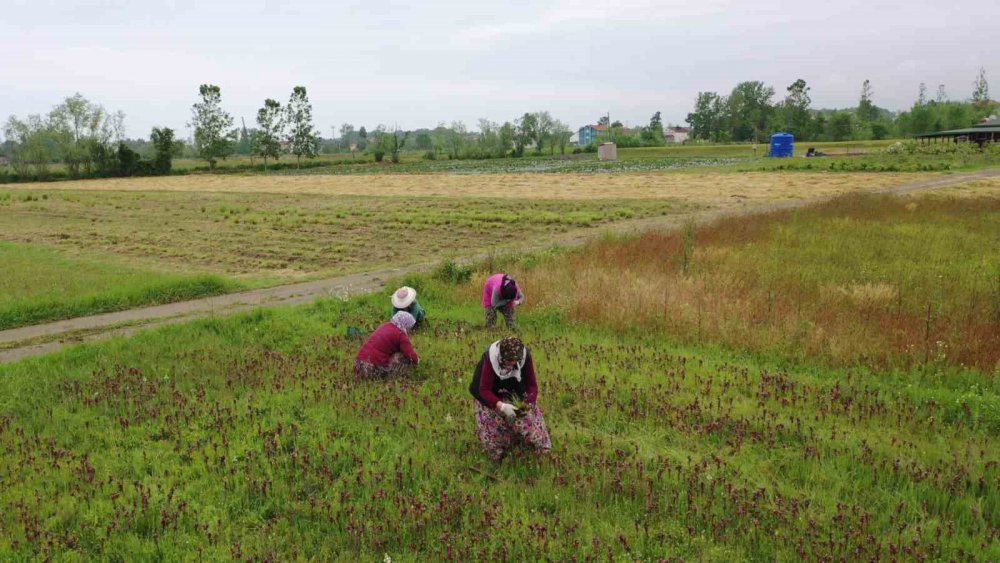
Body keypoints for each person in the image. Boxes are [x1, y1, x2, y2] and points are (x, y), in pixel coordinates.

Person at [469, 337, 551, 462]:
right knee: (492, 424)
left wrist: (528, 403)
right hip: (489, 395)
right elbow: (484, 390)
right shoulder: (490, 358)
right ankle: (498, 455)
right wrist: (501, 405)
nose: (512, 364)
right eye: (508, 361)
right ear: (501, 356)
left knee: (527, 419)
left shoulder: (524, 357)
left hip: (514, 391)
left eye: (515, 361)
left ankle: (541, 451)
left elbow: (532, 385)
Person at [354, 311, 420, 378]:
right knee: (404, 358)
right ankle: (392, 375)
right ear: (406, 324)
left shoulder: (385, 325)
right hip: (372, 368)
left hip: (359, 364)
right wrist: (417, 360)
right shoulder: (401, 334)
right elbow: (410, 354)